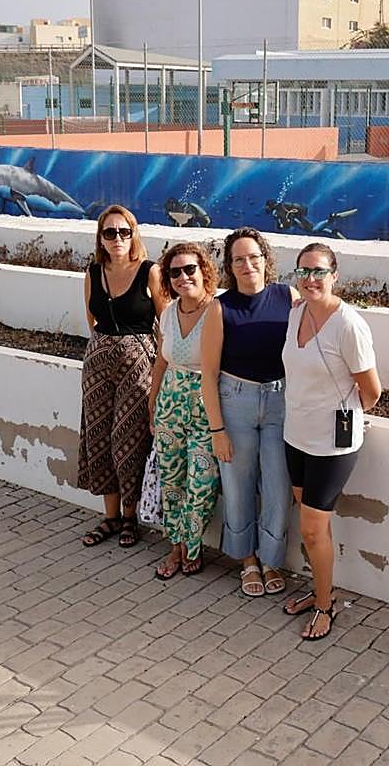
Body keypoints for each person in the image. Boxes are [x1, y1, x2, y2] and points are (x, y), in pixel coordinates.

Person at [281, 242, 382, 641]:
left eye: (319, 271)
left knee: (311, 529)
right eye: (304, 271)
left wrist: (343, 414)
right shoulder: (295, 314)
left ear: (334, 275)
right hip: (296, 436)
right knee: (311, 528)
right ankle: (320, 589)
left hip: (331, 445)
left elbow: (371, 391)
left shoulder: (349, 325)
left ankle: (325, 605)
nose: (310, 279)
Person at [201, 227, 298, 598]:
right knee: (238, 487)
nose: (247, 265)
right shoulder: (220, 307)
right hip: (235, 400)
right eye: (238, 259)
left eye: (253, 257)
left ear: (265, 259)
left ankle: (272, 559)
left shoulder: (286, 296)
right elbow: (208, 374)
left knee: (277, 484)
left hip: (279, 401)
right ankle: (247, 561)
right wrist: (217, 430)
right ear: (229, 264)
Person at [77, 205, 167, 548]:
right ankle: (110, 517)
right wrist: (106, 349)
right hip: (98, 367)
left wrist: (156, 365)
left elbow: (164, 324)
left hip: (138, 368)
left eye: (123, 232)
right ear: (101, 237)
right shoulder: (93, 272)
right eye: (110, 232)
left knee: (129, 439)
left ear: (134, 235)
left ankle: (131, 518)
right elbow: (92, 321)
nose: (117, 239)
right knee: (99, 437)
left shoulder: (150, 272)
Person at [149, 242, 221, 579]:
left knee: (201, 481)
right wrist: (152, 405)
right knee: (172, 480)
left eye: (189, 269)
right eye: (174, 272)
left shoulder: (218, 311)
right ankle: (177, 548)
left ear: (203, 270)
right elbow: (162, 361)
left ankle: (191, 545)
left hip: (207, 406)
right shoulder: (168, 312)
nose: (182, 277)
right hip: (170, 404)